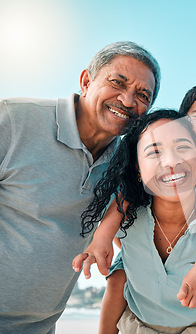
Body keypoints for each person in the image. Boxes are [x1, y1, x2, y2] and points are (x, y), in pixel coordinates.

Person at [0, 41, 160, 334]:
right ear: (86, 81)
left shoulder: (128, 161)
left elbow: (127, 207)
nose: (127, 100)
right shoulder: (12, 119)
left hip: (42, 327)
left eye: (142, 95)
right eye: (117, 82)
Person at [74, 81, 196, 333]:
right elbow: (126, 196)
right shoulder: (167, 158)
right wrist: (102, 237)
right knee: (117, 278)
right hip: (153, 250)